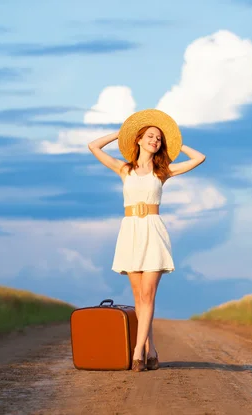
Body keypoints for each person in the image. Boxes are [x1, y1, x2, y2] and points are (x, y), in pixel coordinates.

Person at [87, 109, 206, 372]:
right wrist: (122, 132)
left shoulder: (163, 171)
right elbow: (93, 146)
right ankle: (152, 351)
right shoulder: (124, 168)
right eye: (150, 136)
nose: (155, 140)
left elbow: (200, 158)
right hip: (130, 231)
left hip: (153, 231)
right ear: (139, 140)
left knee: (148, 294)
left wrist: (176, 142)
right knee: (138, 297)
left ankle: (137, 352)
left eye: (159, 139)